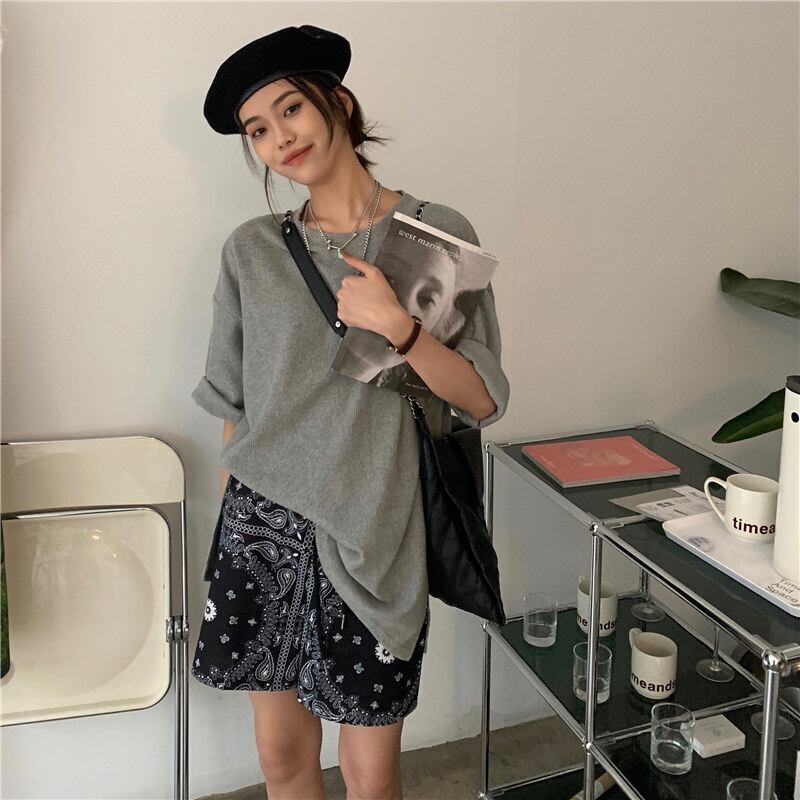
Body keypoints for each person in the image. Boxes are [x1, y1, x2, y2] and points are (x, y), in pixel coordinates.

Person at [191, 24, 510, 800]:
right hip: (263, 525)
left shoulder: (435, 235)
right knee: (281, 759)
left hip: (375, 526)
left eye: (290, 109)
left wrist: (401, 327)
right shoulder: (251, 249)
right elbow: (233, 407)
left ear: (338, 101)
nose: (278, 138)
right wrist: (236, 529)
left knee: (371, 776)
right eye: (257, 130)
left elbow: (481, 397)